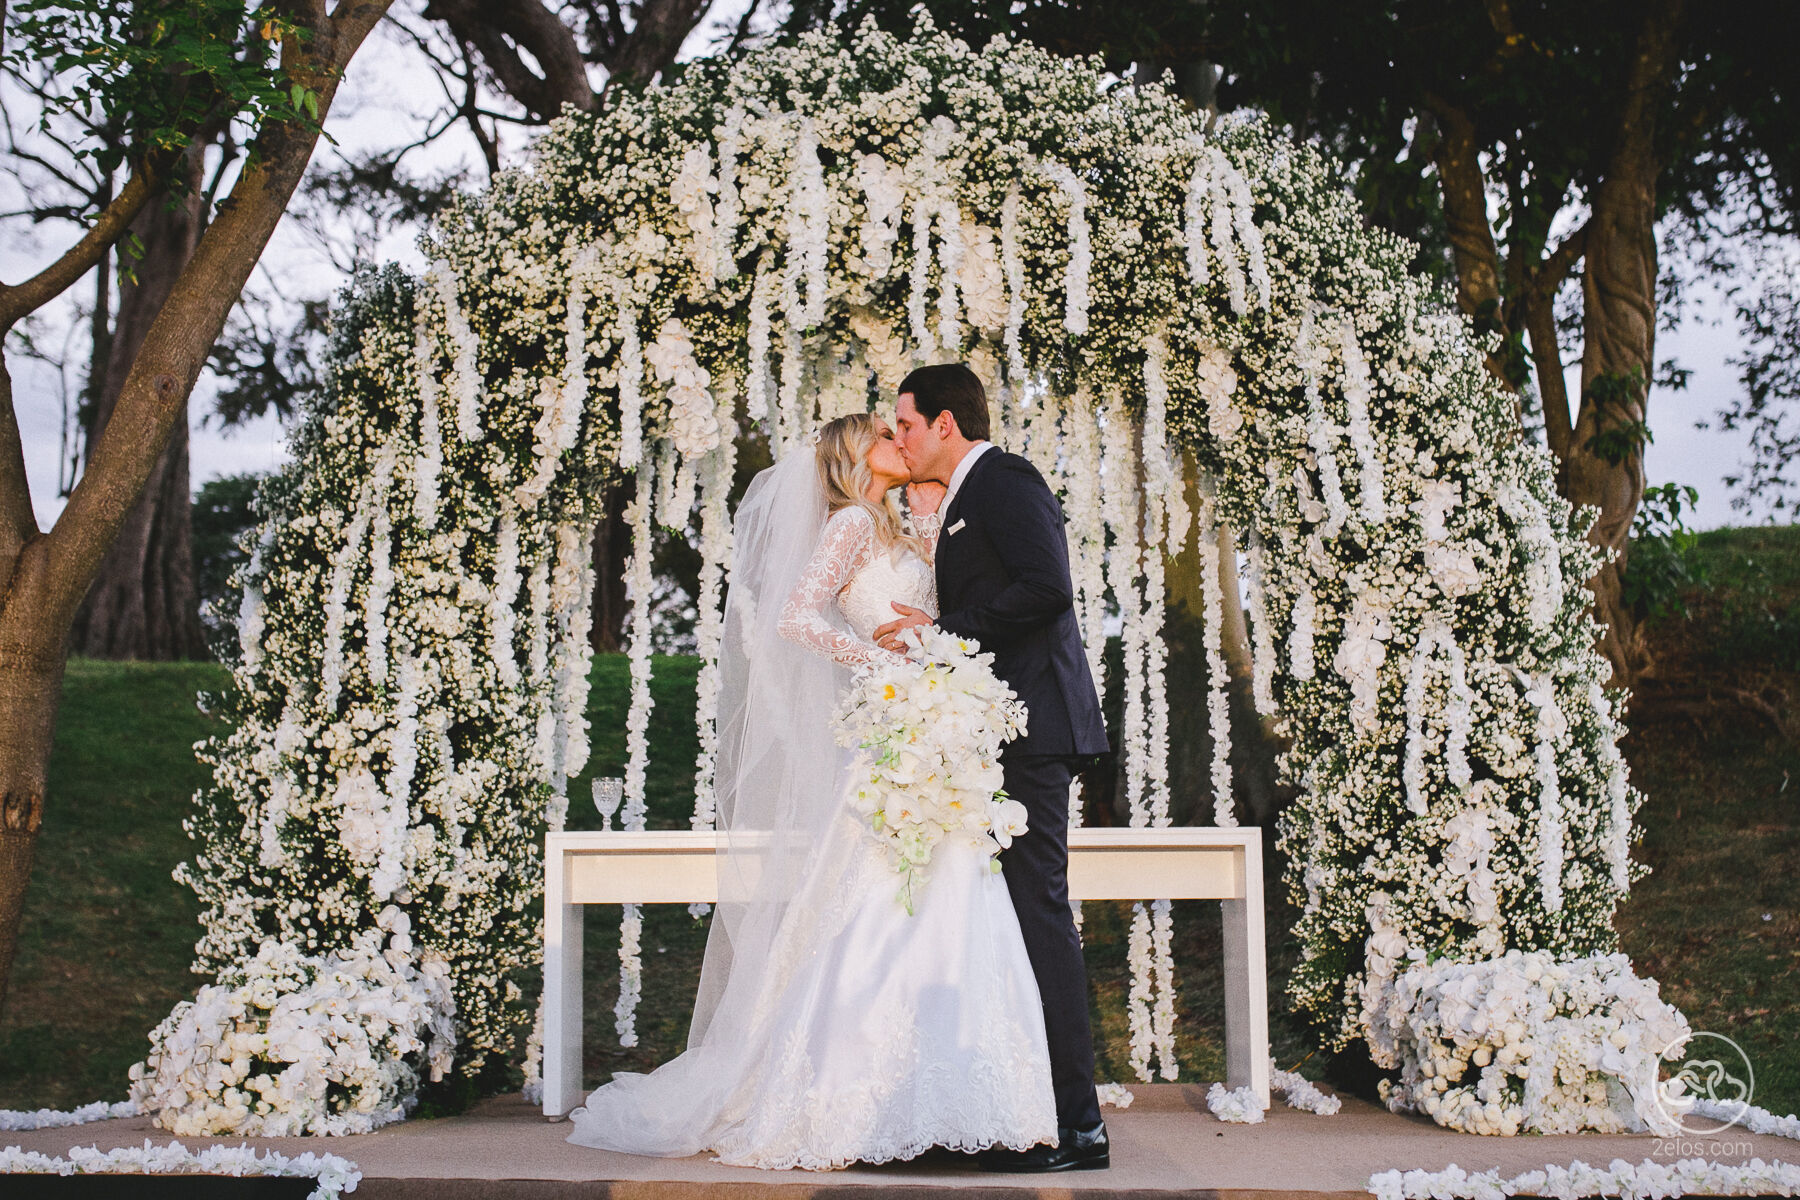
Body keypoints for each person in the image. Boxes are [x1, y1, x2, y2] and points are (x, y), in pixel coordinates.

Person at [565, 411, 1059, 1170]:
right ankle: (851, 1093)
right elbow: (794, 616)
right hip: (895, 725)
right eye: (886, 436)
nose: (902, 442)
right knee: (876, 899)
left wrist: (926, 549)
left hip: (930, 729)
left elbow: (927, 610)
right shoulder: (849, 522)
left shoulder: (891, 523)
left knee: (952, 890)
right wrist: (876, 661)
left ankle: (949, 1093)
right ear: (857, 456)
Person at [875, 362, 1112, 1172]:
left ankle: (1079, 1127)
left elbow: (1048, 588)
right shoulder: (962, 502)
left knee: (1040, 913)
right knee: (1008, 918)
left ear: (947, 424)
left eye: (905, 423)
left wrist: (944, 632)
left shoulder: (1004, 479)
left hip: (1037, 729)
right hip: (995, 735)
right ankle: (1025, 1107)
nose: (898, 438)